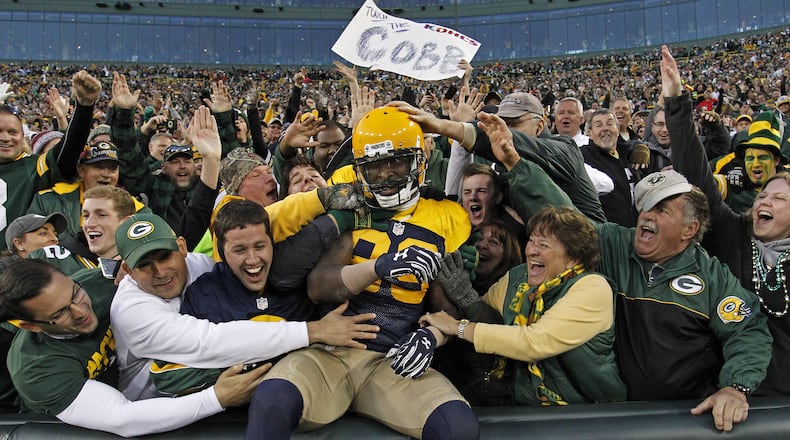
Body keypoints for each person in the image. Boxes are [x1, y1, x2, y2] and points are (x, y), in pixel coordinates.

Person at [414, 101, 772, 432]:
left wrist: (736, 388)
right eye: (645, 206)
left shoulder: (712, 277)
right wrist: (514, 164)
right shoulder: (617, 244)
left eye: (662, 211)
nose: (647, 216)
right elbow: (562, 216)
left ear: (690, 229)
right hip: (610, 413)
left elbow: (748, 330)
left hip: (685, 419)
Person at [247, 106, 478, 439]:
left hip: (394, 360)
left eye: (395, 162)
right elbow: (319, 287)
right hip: (332, 352)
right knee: (272, 400)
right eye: (375, 167)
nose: (384, 176)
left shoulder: (444, 217)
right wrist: (379, 267)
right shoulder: (350, 204)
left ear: (419, 162)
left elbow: (445, 303)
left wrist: (433, 335)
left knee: (457, 426)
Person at [110, 212, 378, 401]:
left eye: (164, 256)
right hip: (153, 406)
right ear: (127, 270)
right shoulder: (131, 310)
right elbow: (210, 342)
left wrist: (341, 218)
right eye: (144, 265)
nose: (159, 271)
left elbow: (252, 222)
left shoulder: (201, 266)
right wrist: (312, 332)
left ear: (181, 248)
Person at [0, 258, 268, 437]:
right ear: (31, 325)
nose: (81, 310)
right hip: (83, 427)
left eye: (75, 293)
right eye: (60, 313)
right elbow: (122, 418)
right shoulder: (36, 368)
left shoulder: (105, 280)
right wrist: (216, 398)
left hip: (148, 386)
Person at [663, 44, 790, 397]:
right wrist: (676, 104)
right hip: (731, 395)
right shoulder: (733, 233)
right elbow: (697, 179)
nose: (765, 199)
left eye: (779, 198)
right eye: (763, 195)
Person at [424, 206, 626, 405]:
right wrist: (464, 298)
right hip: (522, 402)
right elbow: (490, 323)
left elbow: (534, 343)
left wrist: (458, 327)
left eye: (544, 245)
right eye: (531, 241)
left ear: (572, 259)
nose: (532, 251)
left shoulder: (593, 288)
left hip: (588, 412)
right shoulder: (518, 277)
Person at [0, 70, 100, 252]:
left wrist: (84, 108)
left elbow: (67, 152)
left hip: (16, 267)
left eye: (12, 132)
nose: (5, 138)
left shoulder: (32, 168)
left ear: (23, 137)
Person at [27, 140, 127, 238]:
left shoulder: (133, 207)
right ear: (81, 170)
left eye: (112, 168)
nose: (106, 174)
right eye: (99, 167)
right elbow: (32, 242)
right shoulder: (48, 200)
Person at [581, 109, 640, 227]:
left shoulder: (629, 154)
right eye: (598, 125)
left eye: (609, 123)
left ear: (618, 129)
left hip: (634, 234)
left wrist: (644, 149)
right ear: (590, 134)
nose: (605, 128)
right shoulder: (582, 157)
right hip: (604, 236)